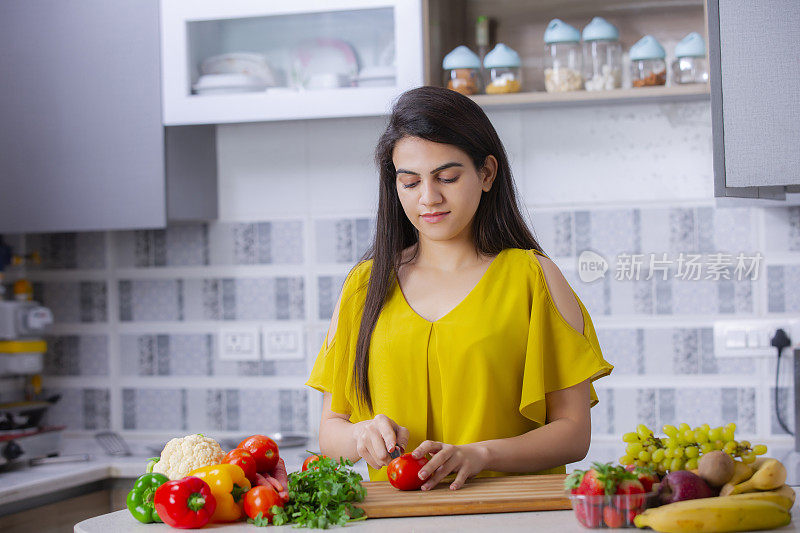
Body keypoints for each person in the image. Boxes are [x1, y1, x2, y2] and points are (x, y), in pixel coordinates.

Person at [306, 85, 613, 491]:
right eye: (410, 183)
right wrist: (361, 437)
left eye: (447, 177)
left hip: (509, 517)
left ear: (486, 173)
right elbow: (331, 431)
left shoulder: (533, 277)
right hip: (398, 519)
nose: (428, 198)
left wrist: (481, 455)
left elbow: (574, 432)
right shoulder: (364, 286)